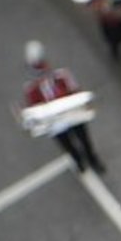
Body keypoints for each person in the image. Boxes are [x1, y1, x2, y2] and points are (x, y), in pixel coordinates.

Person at [21, 41, 104, 174]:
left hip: (73, 114)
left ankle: (92, 159)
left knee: (84, 139)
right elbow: (35, 109)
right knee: (67, 145)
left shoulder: (61, 76)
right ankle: (78, 161)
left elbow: (75, 91)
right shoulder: (31, 89)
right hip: (55, 122)